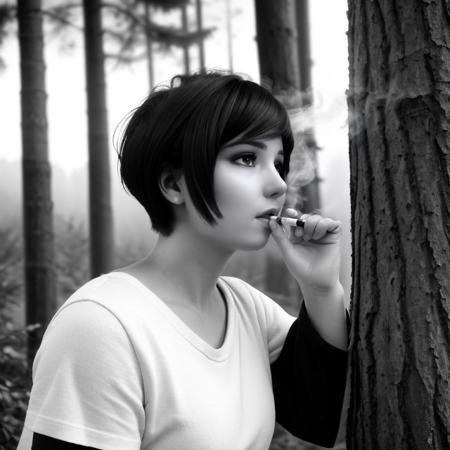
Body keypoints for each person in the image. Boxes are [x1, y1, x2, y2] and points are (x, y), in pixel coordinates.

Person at [18, 72, 349, 450]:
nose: (278, 184)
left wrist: (321, 288)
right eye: (246, 158)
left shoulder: (247, 309)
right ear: (173, 184)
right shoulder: (102, 325)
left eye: (278, 163)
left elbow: (322, 417)